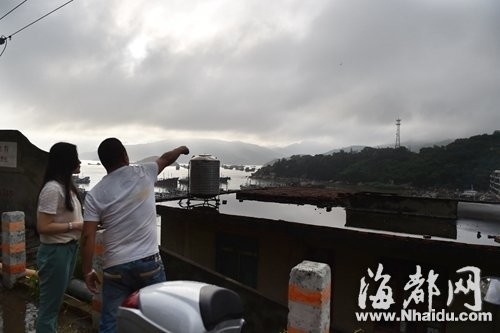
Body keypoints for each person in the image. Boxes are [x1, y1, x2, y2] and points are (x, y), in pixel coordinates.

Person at [80, 137, 189, 332]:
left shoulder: (94, 194)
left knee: (111, 324)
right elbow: (165, 158)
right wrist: (181, 149)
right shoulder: (144, 172)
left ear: (104, 163)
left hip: (115, 268)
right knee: (159, 321)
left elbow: (88, 236)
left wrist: (87, 270)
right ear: (125, 155)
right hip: (149, 263)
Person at [36, 142, 84, 333]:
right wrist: (75, 226)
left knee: (54, 305)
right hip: (56, 252)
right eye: (75, 157)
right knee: (49, 309)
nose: (79, 161)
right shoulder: (53, 189)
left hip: (68, 250)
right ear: (66, 161)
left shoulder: (67, 187)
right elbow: (43, 226)